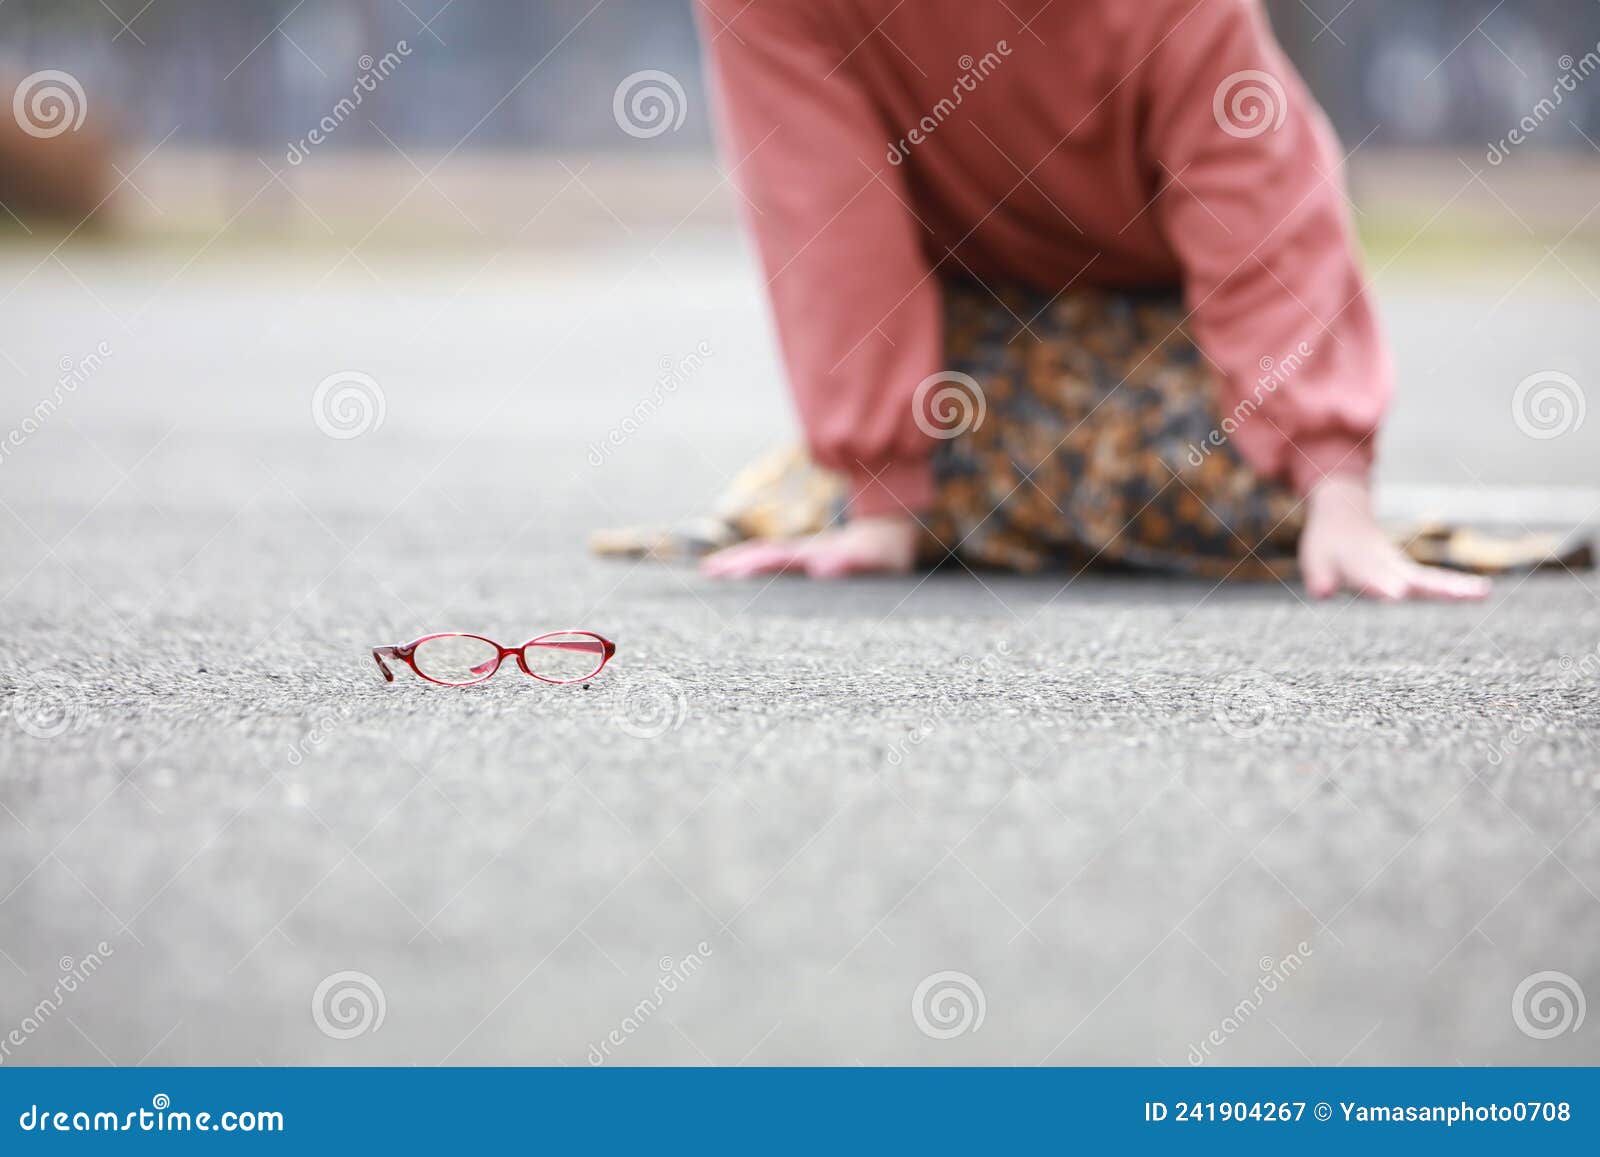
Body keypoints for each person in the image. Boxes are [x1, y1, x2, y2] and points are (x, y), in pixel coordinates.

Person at [690, 0, 1491, 601]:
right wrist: (882, 493)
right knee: (987, 444)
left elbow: (1256, 199)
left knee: (1233, 480)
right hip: (968, 326)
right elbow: (827, 211)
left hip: (1174, 315)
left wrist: (1333, 481)